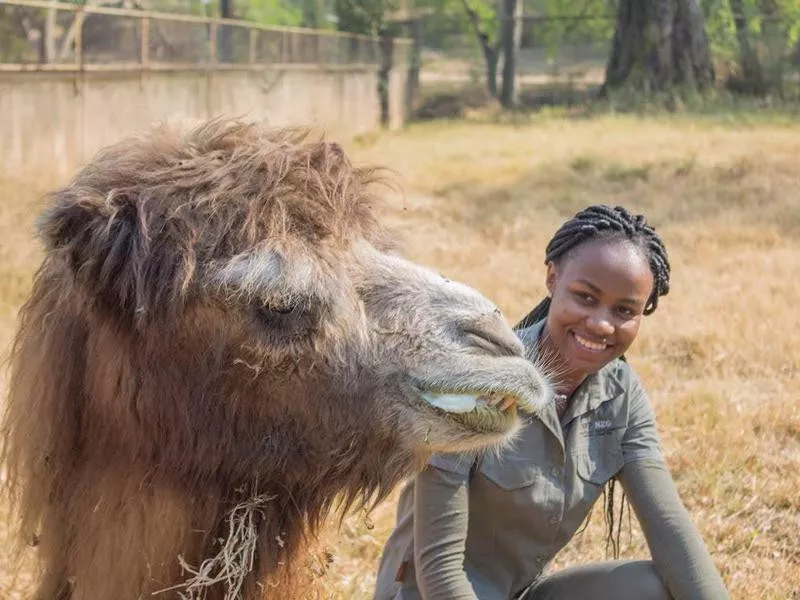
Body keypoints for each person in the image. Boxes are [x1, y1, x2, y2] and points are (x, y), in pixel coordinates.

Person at [373, 205, 731, 600]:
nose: (600, 323)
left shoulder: (621, 398)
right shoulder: (477, 377)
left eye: (624, 310)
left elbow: (671, 529)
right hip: (429, 593)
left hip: (520, 593)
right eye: (585, 297)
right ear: (552, 278)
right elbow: (438, 568)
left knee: (655, 587)